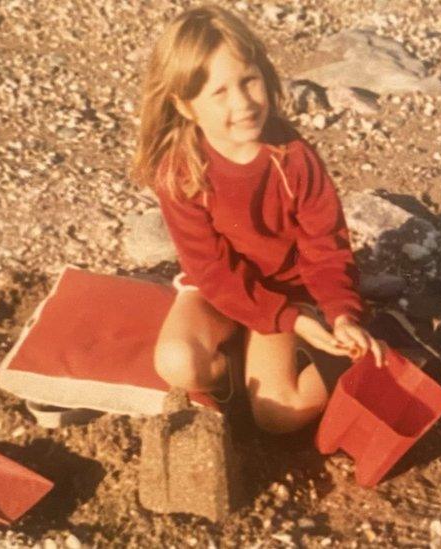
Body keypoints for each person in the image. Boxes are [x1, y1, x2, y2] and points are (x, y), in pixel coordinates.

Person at [130, 5, 384, 434]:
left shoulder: (294, 159)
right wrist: (286, 323)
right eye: (219, 92)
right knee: (178, 363)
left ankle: (363, 351)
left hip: (286, 292)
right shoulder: (180, 171)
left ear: (265, 76)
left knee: (278, 415)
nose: (243, 103)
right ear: (186, 106)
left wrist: (340, 314)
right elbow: (210, 270)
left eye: (249, 81)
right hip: (220, 292)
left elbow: (326, 246)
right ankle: (245, 365)